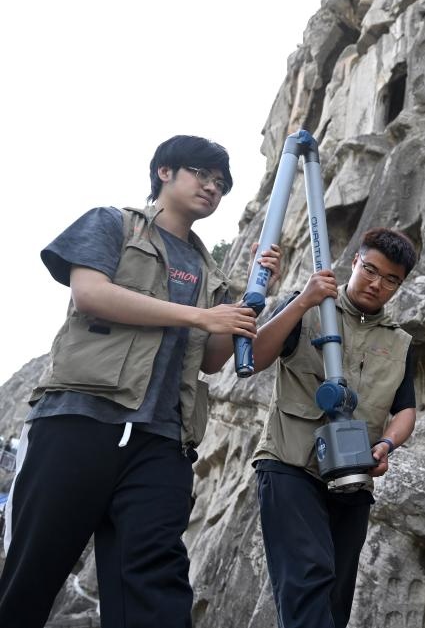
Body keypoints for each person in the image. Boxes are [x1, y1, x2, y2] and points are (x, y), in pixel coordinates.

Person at [0, 135, 281, 628]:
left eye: (221, 184)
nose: (212, 188)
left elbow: (213, 360)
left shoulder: (209, 272)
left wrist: (254, 297)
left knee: (155, 584)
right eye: (201, 174)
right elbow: (91, 294)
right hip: (79, 419)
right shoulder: (112, 223)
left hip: (162, 441)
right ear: (165, 171)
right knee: (32, 572)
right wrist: (200, 316)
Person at [251, 228, 418, 628]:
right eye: (370, 270)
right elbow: (254, 357)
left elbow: (406, 410)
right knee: (309, 578)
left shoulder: (401, 342)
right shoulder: (310, 306)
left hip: (353, 480)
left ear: (400, 285)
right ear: (355, 262)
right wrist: (303, 300)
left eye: (391, 279)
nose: (377, 284)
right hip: (290, 465)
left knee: (334, 602)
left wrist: (387, 446)